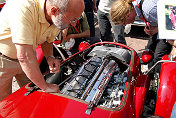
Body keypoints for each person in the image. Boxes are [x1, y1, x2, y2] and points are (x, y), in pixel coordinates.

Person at [0, 0, 85, 101]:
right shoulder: (23, 7)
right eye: (72, 19)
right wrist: (45, 86)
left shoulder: (57, 14)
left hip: (28, 58)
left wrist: (50, 57)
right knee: (4, 103)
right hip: (3, 60)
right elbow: (24, 56)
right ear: (54, 11)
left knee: (33, 96)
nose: (74, 25)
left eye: (77, 19)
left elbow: (47, 40)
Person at [110, 0, 172, 74]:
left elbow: (172, 20)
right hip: (161, 28)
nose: (125, 25)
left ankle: (160, 79)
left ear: (127, 15)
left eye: (124, 22)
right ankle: (150, 76)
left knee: (158, 57)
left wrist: (157, 29)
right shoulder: (141, 8)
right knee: (148, 52)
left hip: (169, 29)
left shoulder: (149, 10)